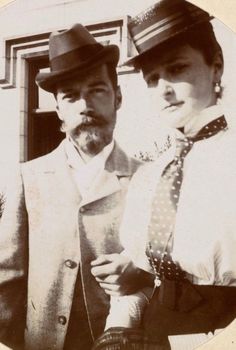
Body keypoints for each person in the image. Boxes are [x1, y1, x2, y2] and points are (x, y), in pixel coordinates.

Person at [92, 0, 236, 348]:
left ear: (216, 67)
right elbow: (153, 281)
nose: (164, 90)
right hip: (155, 335)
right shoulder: (151, 175)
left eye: (178, 69)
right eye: (153, 79)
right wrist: (119, 326)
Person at [0, 23, 143, 350]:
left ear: (117, 97)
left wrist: (143, 275)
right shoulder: (27, 178)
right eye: (70, 96)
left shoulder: (147, 178)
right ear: (59, 110)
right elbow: (6, 283)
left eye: (97, 90)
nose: (85, 106)